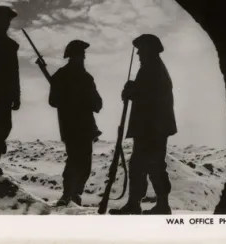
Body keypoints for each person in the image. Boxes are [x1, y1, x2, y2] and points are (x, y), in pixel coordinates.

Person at [110, 34, 177, 215]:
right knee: (142, 165)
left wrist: (132, 90)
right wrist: (133, 89)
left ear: (148, 50)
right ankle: (141, 204)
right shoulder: (152, 68)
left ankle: (154, 205)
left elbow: (149, 97)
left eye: (141, 49)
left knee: (150, 164)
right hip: (151, 127)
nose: (138, 53)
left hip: (152, 128)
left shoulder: (152, 69)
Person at [49, 40, 103, 206]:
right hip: (75, 127)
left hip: (81, 127)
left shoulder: (83, 77)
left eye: (83, 55)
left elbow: (97, 104)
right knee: (75, 161)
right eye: (80, 54)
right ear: (73, 56)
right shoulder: (67, 76)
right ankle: (69, 194)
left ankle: (75, 195)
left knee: (82, 162)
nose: (83, 57)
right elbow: (53, 100)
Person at [0, 6, 21, 176]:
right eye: (4, 20)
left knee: (4, 128)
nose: (6, 24)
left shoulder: (11, 46)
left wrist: (16, 96)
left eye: (8, 21)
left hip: (4, 96)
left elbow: (14, 72)